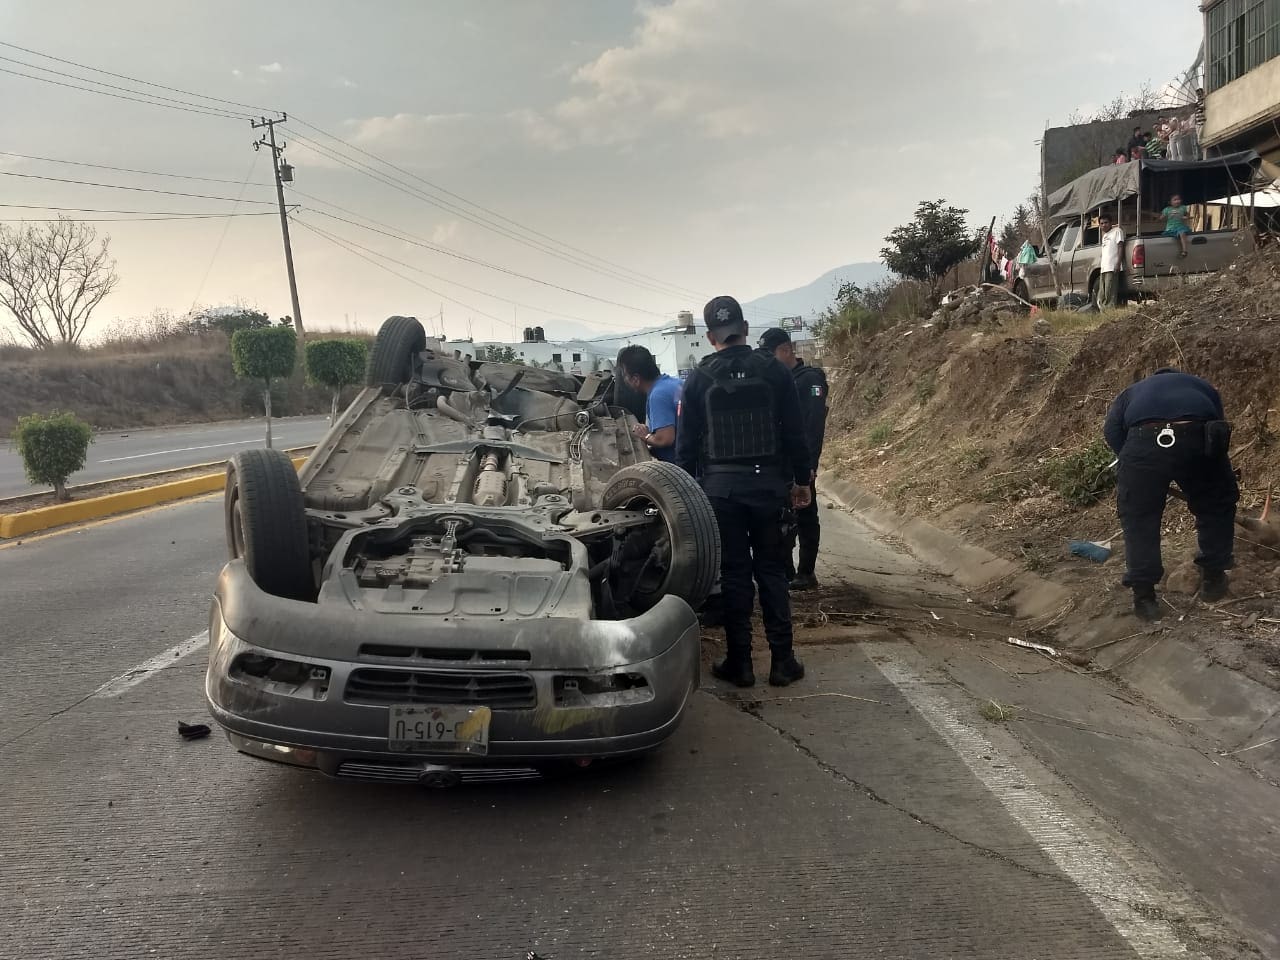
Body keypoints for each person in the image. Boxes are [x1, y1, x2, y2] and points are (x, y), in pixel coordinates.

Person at [676, 295, 812, 688]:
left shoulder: (699, 378)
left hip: (721, 492)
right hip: (769, 487)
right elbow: (795, 433)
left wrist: (687, 498)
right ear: (746, 328)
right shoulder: (775, 371)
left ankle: (741, 663)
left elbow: (685, 449)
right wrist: (801, 481)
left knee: (734, 574)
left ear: (709, 336)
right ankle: (783, 662)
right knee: (771, 571)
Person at [1103, 368, 1239, 621]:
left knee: (1140, 521)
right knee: (1216, 505)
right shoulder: (1201, 383)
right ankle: (1213, 578)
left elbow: (1112, 431)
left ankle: (1145, 600)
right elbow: (1217, 422)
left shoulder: (1131, 392)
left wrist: (1136, 462)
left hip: (1143, 441)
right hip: (1197, 435)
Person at [758, 327, 829, 590]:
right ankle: (786, 571)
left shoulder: (808, 380)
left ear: (787, 350)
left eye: (771, 353)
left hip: (799, 463)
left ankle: (806, 572)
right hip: (778, 464)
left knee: (806, 515)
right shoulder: (778, 381)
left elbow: (812, 427)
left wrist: (808, 465)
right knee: (783, 519)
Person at [617, 344, 681, 463]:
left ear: (636, 379)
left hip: (681, 467)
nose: (625, 380)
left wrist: (645, 436)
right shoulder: (675, 383)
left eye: (625, 375)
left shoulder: (658, 395)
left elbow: (665, 439)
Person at [1097, 212, 1125, 309]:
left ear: (1111, 223)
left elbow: (1120, 246)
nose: (1104, 225)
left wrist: (1118, 263)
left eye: (1106, 222)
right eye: (1101, 223)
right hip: (1104, 268)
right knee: (1103, 292)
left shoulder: (1117, 231)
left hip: (1112, 266)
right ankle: (1103, 311)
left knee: (1110, 291)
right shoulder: (1105, 235)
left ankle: (1109, 310)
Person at [1162, 194, 1192, 258]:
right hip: (1170, 229)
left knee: (1182, 233)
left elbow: (1188, 215)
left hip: (1180, 227)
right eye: (1175, 200)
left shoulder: (1183, 207)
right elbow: (1161, 218)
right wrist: (1168, 216)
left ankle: (1184, 251)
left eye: (1178, 199)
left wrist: (1186, 217)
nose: (1177, 201)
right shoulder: (1167, 209)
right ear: (1170, 202)